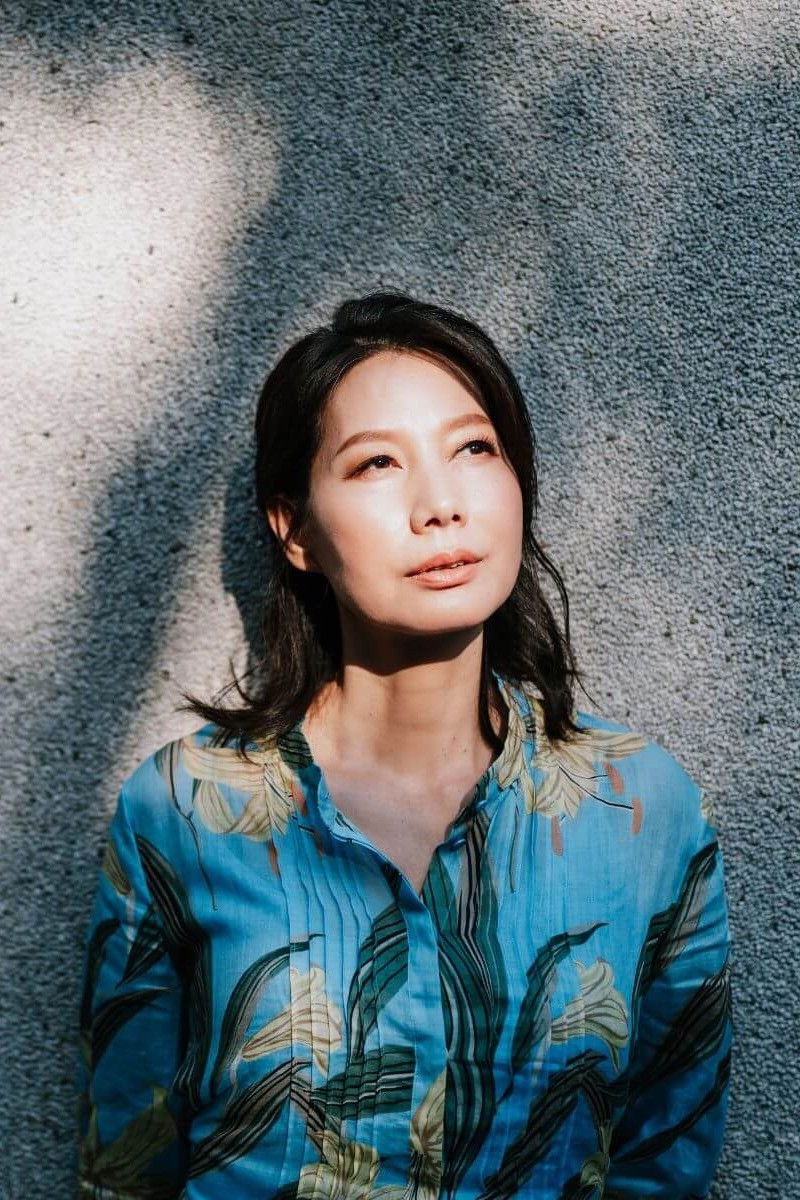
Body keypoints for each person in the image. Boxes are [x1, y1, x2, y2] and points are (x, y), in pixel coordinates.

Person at [75, 290, 733, 1199]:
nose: (440, 505)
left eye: (474, 449)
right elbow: (127, 1165)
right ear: (295, 529)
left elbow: (668, 1157)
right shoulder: (186, 810)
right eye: (377, 462)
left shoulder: (639, 810)